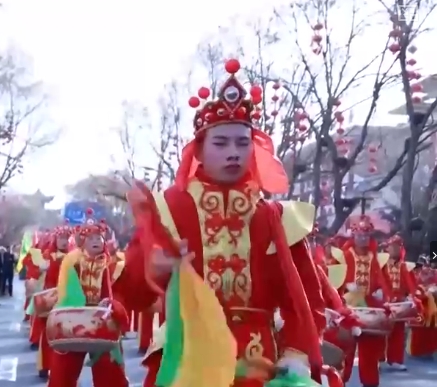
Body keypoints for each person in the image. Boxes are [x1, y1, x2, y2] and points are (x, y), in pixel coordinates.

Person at [120, 59, 324, 387]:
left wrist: (296, 353)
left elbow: (306, 300)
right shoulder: (167, 209)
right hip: (186, 359)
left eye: (243, 143)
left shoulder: (277, 217)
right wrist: (153, 271)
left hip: (259, 363)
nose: (233, 153)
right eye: (221, 143)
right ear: (199, 149)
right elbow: (129, 295)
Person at [46, 210, 130, 387]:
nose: (96, 241)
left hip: (101, 319)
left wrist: (108, 305)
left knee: (109, 369)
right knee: (64, 368)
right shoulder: (72, 261)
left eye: (99, 238)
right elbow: (66, 290)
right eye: (90, 238)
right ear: (82, 242)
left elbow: (113, 291)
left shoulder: (108, 263)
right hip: (76, 318)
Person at [332, 217, 390, 387]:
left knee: (369, 350)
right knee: (345, 349)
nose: (363, 239)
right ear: (354, 236)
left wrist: (382, 293)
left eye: (366, 236)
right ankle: (339, 381)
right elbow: (333, 280)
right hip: (348, 308)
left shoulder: (376, 258)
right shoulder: (344, 256)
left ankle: (370, 382)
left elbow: (383, 281)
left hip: (370, 308)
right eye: (360, 235)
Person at [382, 234, 416, 372]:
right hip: (383, 302)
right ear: (388, 248)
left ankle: (395, 360)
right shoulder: (381, 264)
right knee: (379, 331)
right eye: (392, 246)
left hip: (399, 302)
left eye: (397, 246)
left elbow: (411, 284)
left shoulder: (405, 266)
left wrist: (412, 297)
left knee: (398, 332)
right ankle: (376, 359)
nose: (394, 249)